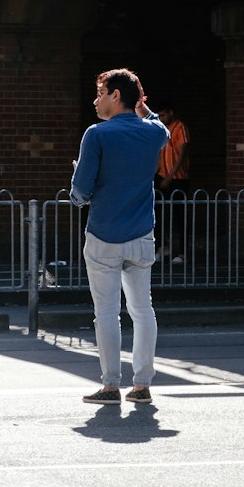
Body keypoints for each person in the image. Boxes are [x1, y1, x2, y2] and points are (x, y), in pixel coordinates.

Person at [70, 68, 170, 405]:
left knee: (107, 313)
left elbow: (81, 190)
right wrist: (142, 106)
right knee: (143, 311)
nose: (96, 100)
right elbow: (162, 127)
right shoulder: (153, 133)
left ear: (115, 96)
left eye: (100, 93)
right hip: (141, 233)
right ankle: (142, 384)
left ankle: (111, 384)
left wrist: (76, 192)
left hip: (103, 233)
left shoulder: (96, 135)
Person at [155, 103, 190, 262]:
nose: (161, 119)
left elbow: (181, 154)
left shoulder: (179, 127)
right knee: (157, 213)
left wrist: (170, 176)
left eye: (163, 115)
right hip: (161, 175)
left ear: (170, 113)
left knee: (179, 215)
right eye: (159, 116)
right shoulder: (161, 130)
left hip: (178, 179)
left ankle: (182, 252)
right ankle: (162, 247)